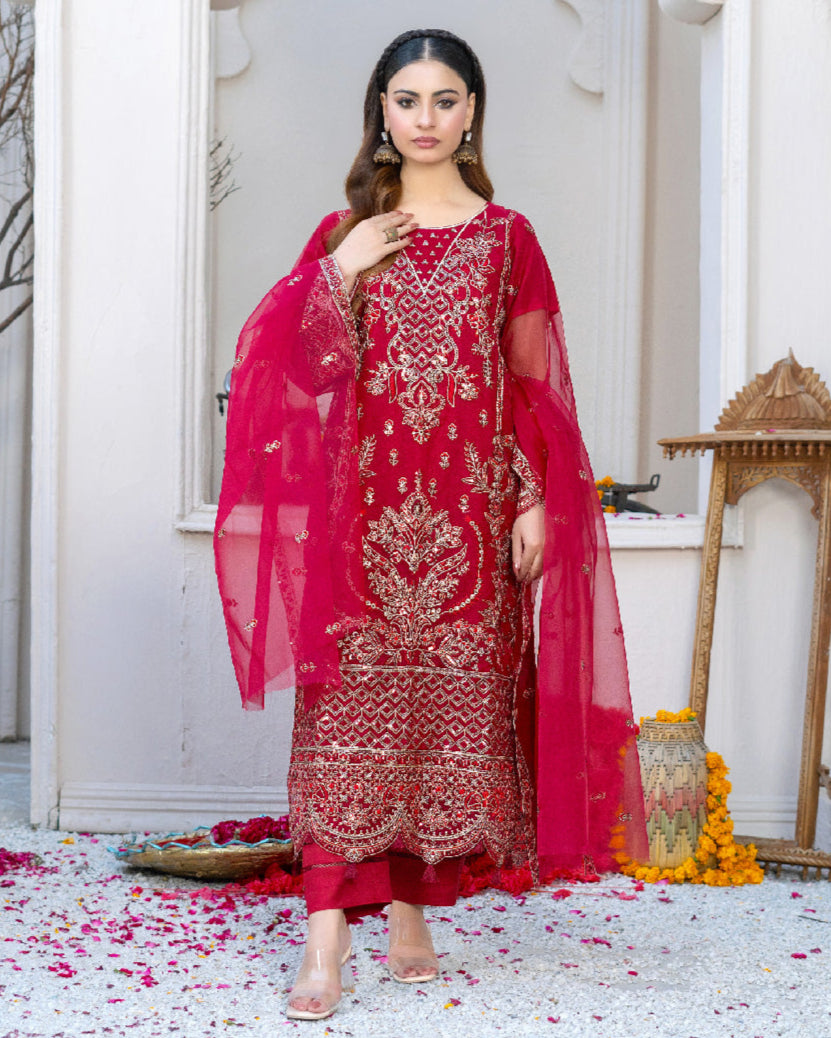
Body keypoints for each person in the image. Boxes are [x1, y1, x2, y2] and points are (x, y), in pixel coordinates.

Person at [214, 28, 647, 1022]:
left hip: (470, 521)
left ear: (473, 111)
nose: (424, 119)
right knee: (342, 729)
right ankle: (325, 947)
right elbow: (296, 370)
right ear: (380, 111)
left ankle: (413, 913)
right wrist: (340, 270)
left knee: (440, 725)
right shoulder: (349, 230)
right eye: (405, 101)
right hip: (361, 522)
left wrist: (535, 497)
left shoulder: (509, 239)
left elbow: (536, 389)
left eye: (444, 100)